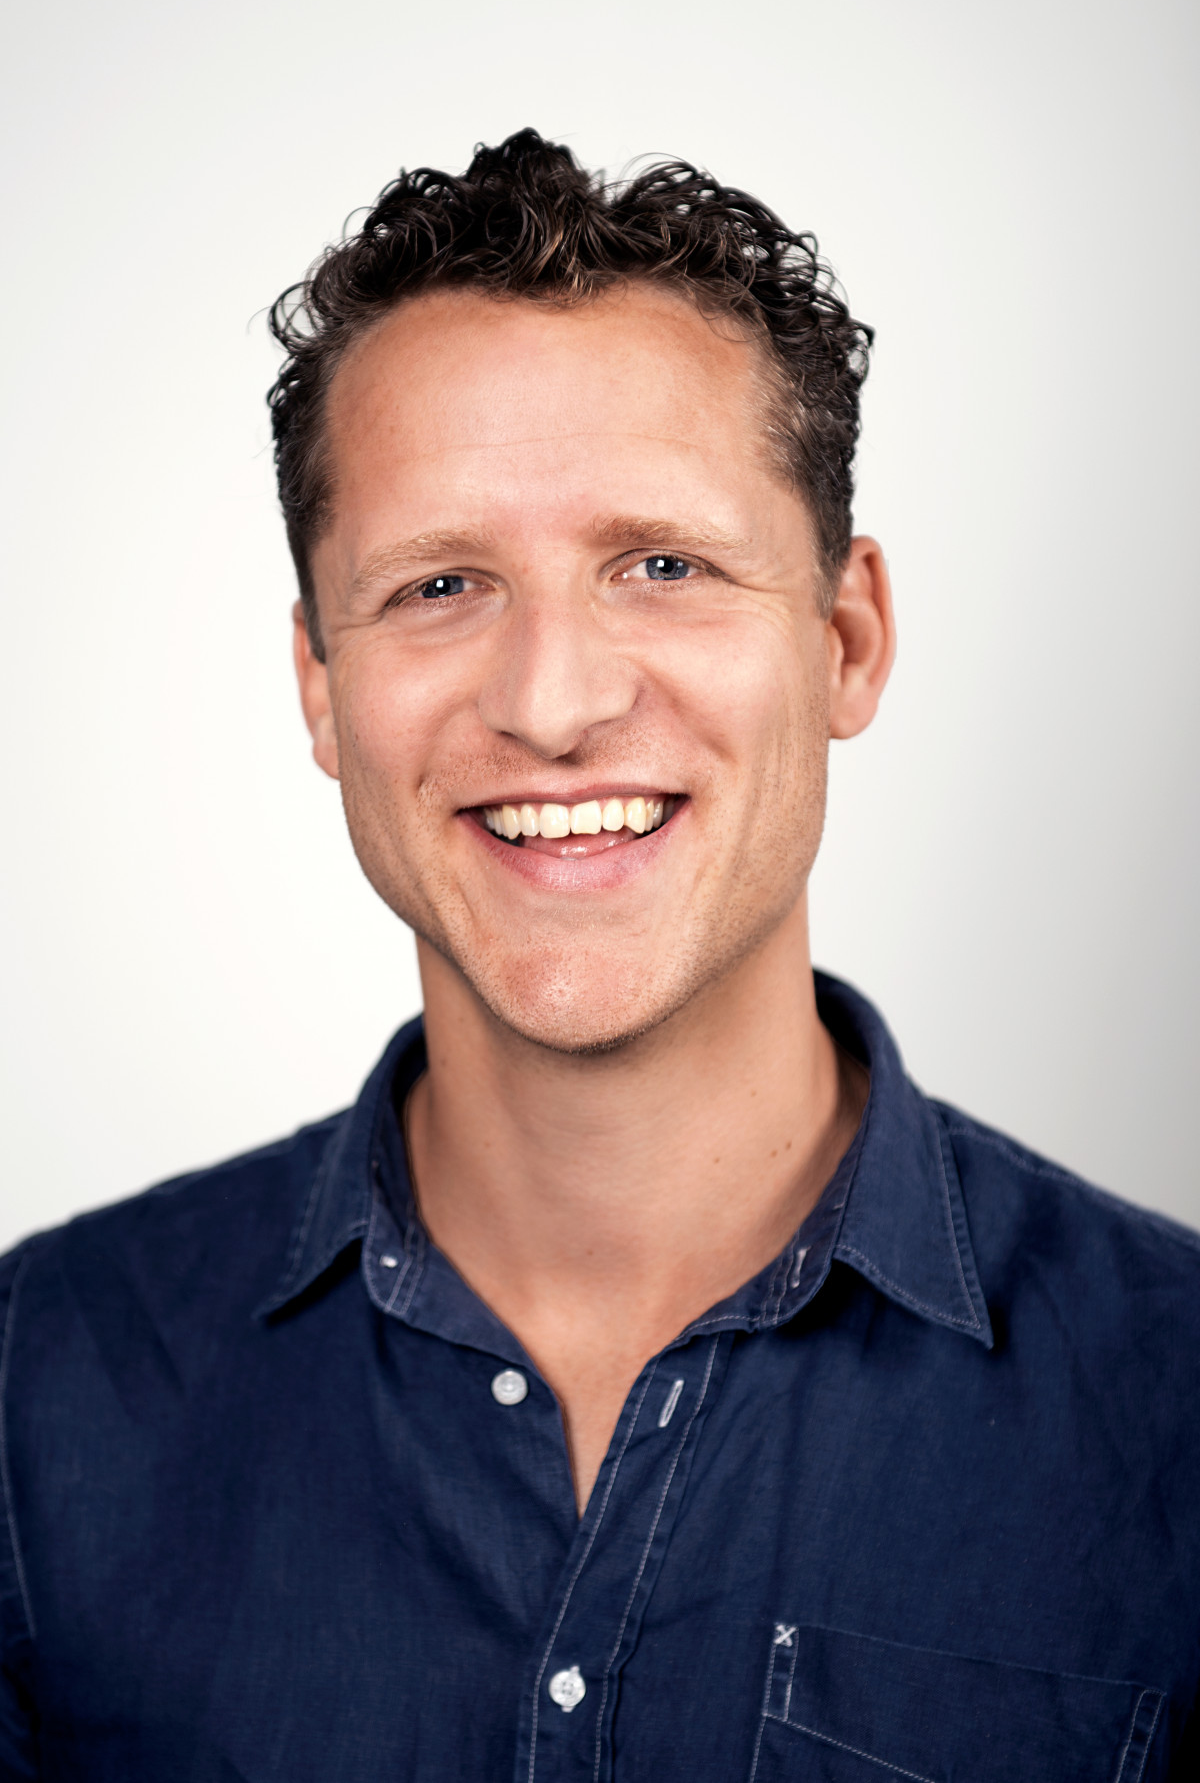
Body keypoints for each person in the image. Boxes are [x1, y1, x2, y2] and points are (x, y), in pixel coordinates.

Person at [1, 129, 1196, 1783]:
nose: (553, 704)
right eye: (441, 583)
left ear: (847, 638)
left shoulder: (1173, 1396)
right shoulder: (37, 1389)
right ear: (321, 686)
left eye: (663, 565)